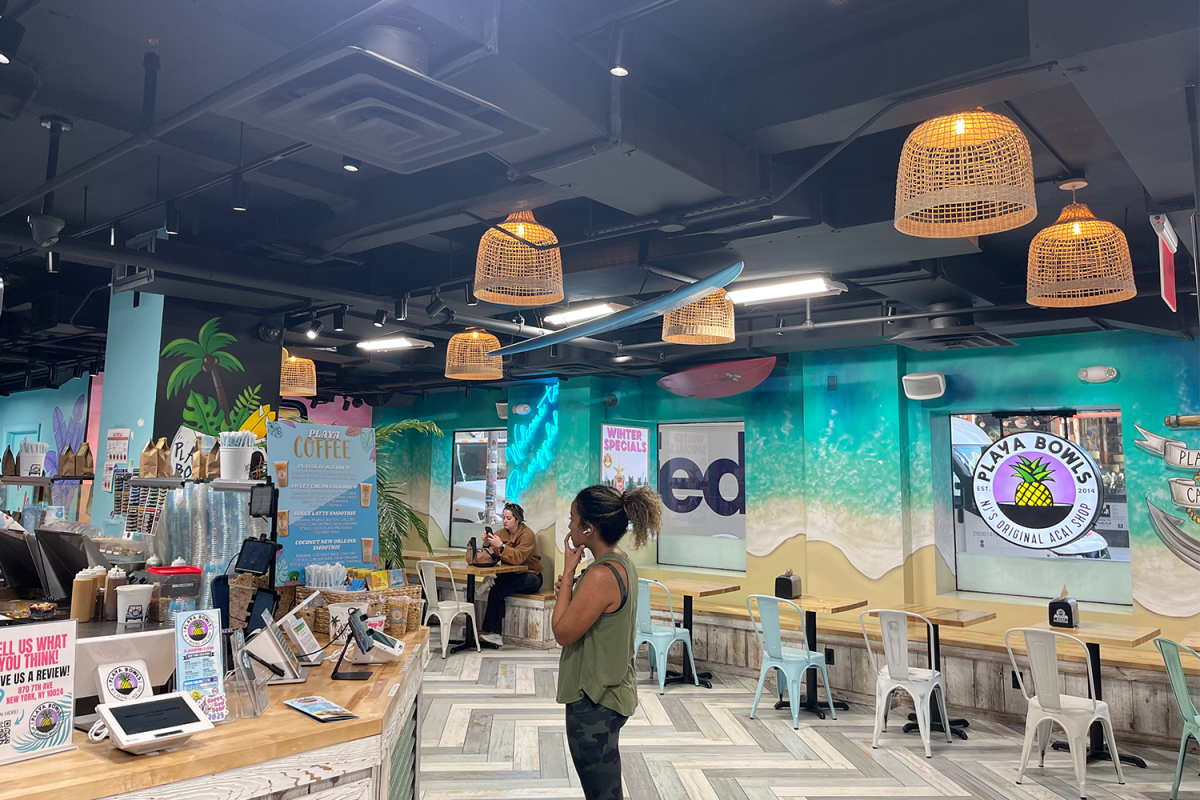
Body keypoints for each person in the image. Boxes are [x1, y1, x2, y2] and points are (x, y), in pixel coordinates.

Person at [553, 485, 662, 800]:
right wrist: (573, 584)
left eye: (573, 520)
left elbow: (562, 632)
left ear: (588, 528)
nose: (570, 527)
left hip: (594, 700)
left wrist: (569, 571)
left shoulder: (600, 576)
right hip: (612, 691)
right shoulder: (620, 561)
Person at [479, 502, 542, 647]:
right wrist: (487, 543)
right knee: (497, 590)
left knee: (529, 579)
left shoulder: (527, 535)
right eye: (504, 517)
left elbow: (519, 557)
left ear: (518, 520)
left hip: (530, 575)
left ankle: (493, 581)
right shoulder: (500, 533)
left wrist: (501, 546)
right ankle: (494, 633)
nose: (505, 521)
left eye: (509, 518)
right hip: (508, 577)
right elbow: (491, 557)